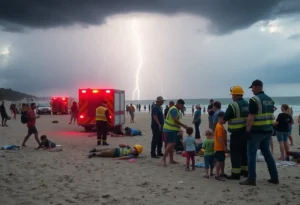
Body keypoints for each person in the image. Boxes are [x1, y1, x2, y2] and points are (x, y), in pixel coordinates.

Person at [240, 79, 279, 186]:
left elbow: (251, 116)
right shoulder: (270, 100)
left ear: (256, 87)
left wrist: (247, 130)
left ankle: (251, 178)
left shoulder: (254, 100)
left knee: (251, 155)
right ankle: (274, 177)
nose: (252, 90)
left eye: (252, 88)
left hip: (256, 131)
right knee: (267, 154)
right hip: (267, 131)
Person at [223, 86, 249, 180]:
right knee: (244, 152)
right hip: (246, 133)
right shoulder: (248, 104)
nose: (232, 97)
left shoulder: (233, 105)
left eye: (232, 94)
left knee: (235, 153)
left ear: (235, 95)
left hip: (236, 133)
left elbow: (225, 117)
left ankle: (235, 173)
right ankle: (245, 171)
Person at [161, 99, 188, 167]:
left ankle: (171, 160)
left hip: (173, 129)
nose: (182, 107)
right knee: (171, 144)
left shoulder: (176, 110)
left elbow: (175, 121)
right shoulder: (174, 109)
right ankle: (164, 159)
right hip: (169, 129)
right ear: (178, 104)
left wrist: (178, 127)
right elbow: (175, 120)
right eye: (182, 106)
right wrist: (183, 125)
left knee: (172, 145)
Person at [214, 112, 228, 181]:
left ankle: (222, 172)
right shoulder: (219, 126)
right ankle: (217, 174)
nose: (225, 120)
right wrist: (224, 146)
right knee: (219, 161)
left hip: (221, 147)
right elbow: (220, 137)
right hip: (219, 147)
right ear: (220, 118)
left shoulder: (221, 125)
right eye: (224, 119)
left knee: (222, 160)